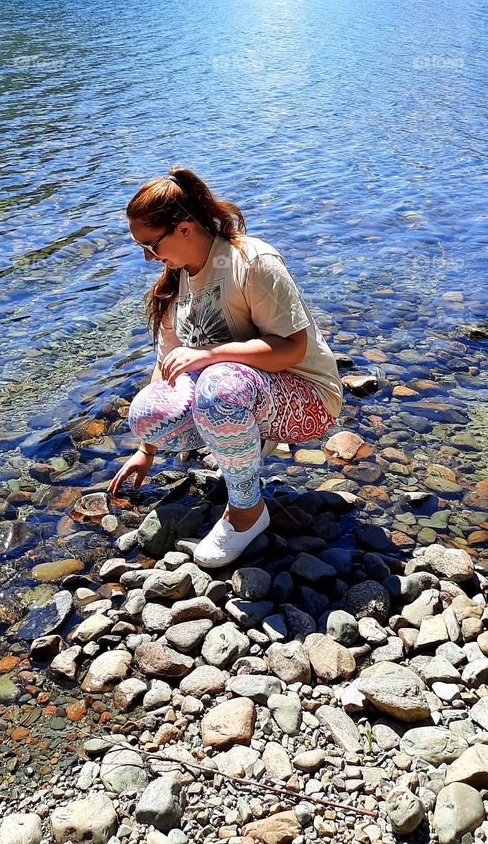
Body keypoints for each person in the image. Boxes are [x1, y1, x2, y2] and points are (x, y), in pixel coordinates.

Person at [107, 166, 343, 567]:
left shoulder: (251, 262)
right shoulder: (174, 283)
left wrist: (211, 354)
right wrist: (146, 448)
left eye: (151, 244)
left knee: (217, 385)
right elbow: (167, 367)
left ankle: (248, 512)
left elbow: (292, 349)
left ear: (184, 228)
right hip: (245, 392)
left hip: (309, 401)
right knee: (147, 410)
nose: (148, 257)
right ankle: (242, 447)